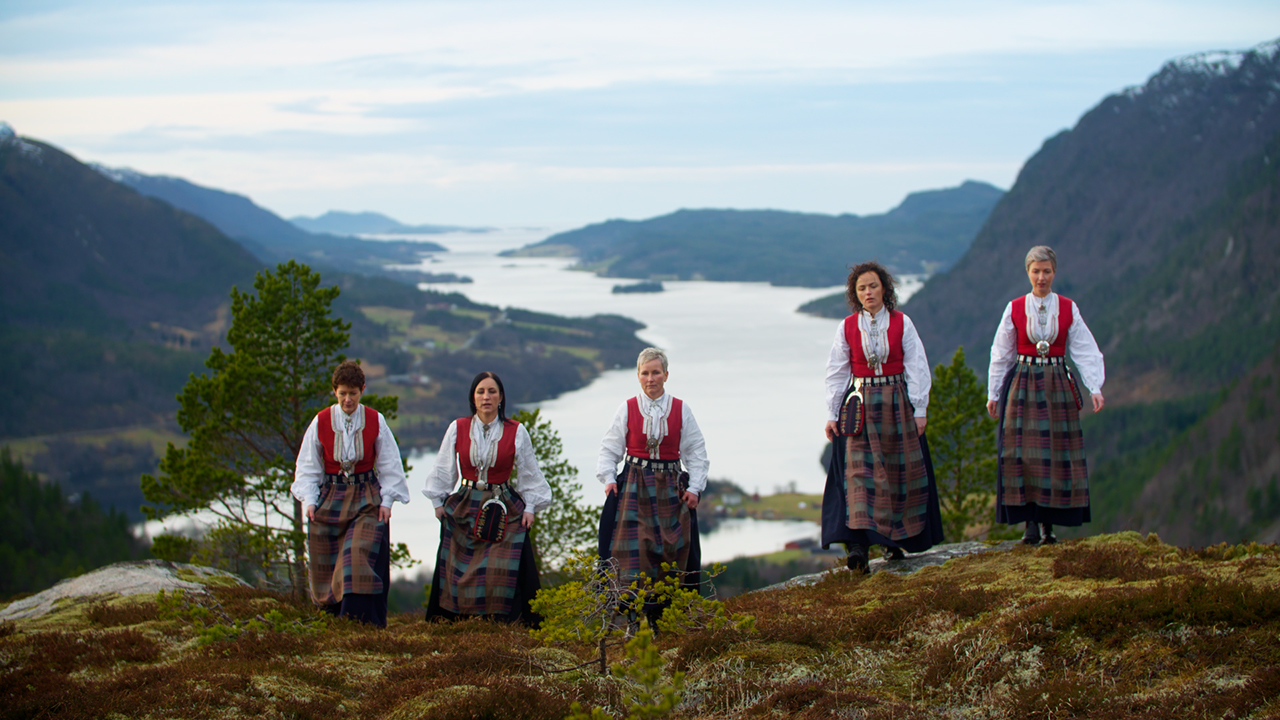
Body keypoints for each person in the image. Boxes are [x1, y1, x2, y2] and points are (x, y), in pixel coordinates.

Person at [822, 262, 944, 572]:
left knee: (894, 475)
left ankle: (892, 544)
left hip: (897, 405)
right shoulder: (847, 327)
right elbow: (836, 372)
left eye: (873, 286)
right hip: (859, 408)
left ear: (884, 289)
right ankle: (859, 547)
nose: (868, 292)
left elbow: (917, 367)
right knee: (859, 476)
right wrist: (832, 413)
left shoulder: (903, 323)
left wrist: (920, 410)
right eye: (861, 288)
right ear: (855, 294)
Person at [986, 246, 1105, 545]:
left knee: (1055, 454)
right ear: (1027, 272)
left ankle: (1048, 526)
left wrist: (1095, 386)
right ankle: (1029, 525)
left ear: (1055, 272)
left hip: (1057, 386)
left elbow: (1084, 349)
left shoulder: (1067, 308)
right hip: (1022, 384)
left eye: (1047, 271)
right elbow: (1001, 353)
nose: (1041, 277)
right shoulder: (1014, 308)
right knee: (1022, 454)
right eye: (1036, 271)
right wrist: (994, 392)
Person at [423, 371, 551, 625]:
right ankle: (459, 620)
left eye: (492, 391)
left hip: (502, 504)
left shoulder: (516, 430)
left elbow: (529, 471)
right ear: (473, 397)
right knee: (461, 567)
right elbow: (442, 468)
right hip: (465, 503)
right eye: (481, 391)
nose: (486, 397)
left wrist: (531, 507)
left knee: (498, 568)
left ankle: (500, 621)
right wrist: (438, 502)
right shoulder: (457, 428)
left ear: (501, 397)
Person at [292, 360, 411, 628]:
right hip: (331, 497)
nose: (348, 399)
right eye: (343, 393)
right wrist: (310, 501)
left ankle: (358, 623)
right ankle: (333, 621)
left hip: (366, 497)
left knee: (356, 558)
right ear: (335, 391)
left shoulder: (374, 420)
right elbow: (309, 466)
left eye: (353, 393)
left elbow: (390, 464)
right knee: (328, 565)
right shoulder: (321, 421)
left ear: (362, 390)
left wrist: (388, 500)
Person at [596, 347, 708, 614]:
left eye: (656, 372)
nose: (650, 378)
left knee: (671, 550)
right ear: (638, 376)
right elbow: (610, 448)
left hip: (671, 486)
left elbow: (696, 451)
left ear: (666, 375)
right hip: (634, 485)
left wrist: (695, 488)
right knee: (635, 553)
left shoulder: (681, 409)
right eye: (645, 373)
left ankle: (666, 615)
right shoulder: (627, 408)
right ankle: (632, 617)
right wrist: (609, 478)